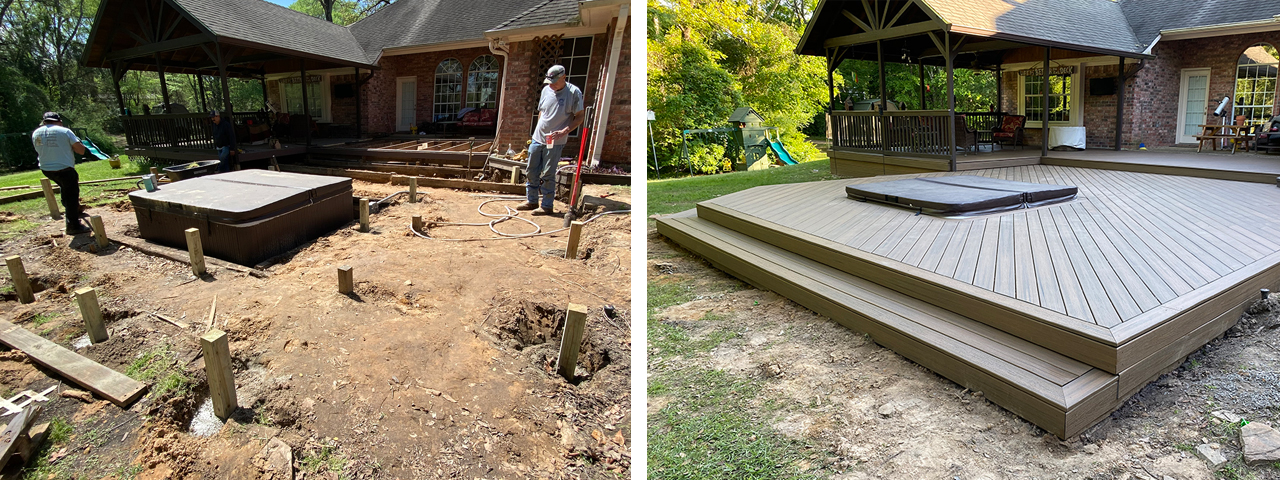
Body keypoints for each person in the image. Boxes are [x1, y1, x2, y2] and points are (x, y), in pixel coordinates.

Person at [518, 65, 584, 215]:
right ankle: (532, 201)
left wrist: (564, 131)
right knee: (531, 170)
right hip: (538, 138)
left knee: (548, 173)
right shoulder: (546, 90)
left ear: (563, 78)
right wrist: (539, 129)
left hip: (556, 141)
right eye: (549, 82)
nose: (551, 85)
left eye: (554, 82)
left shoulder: (573, 93)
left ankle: (547, 206)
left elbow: (580, 116)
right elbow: (542, 111)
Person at [31, 112, 91, 234]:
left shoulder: (36, 133)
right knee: (71, 196)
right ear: (59, 121)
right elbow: (80, 150)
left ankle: (72, 209)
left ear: (44, 121)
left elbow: (40, 148)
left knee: (65, 189)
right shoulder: (65, 131)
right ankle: (73, 225)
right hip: (64, 169)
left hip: (47, 170)